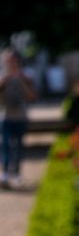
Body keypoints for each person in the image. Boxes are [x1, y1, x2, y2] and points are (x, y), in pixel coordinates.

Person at [1, 48, 37, 189]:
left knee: (18, 147)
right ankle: (4, 173)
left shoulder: (26, 76)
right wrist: (7, 78)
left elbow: (32, 96)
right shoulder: (3, 75)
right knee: (5, 146)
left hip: (21, 117)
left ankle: (16, 174)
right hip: (6, 117)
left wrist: (20, 78)